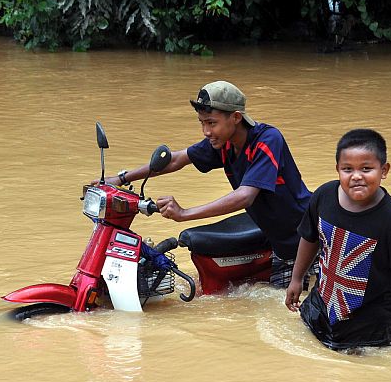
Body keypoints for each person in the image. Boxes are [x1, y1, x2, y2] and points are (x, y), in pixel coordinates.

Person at [104, 80, 314, 288]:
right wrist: (121, 179)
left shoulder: (267, 140)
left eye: (211, 123)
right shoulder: (224, 144)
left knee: (288, 312)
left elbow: (244, 196)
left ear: (236, 117)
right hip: (277, 239)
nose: (206, 131)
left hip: (305, 243)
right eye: (202, 123)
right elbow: (177, 159)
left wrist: (185, 213)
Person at [284, 128, 391, 355]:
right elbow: (310, 237)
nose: (356, 176)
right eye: (347, 169)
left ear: (384, 170)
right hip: (319, 310)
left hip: (370, 329)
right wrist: (297, 278)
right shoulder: (324, 196)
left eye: (366, 168)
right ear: (337, 170)